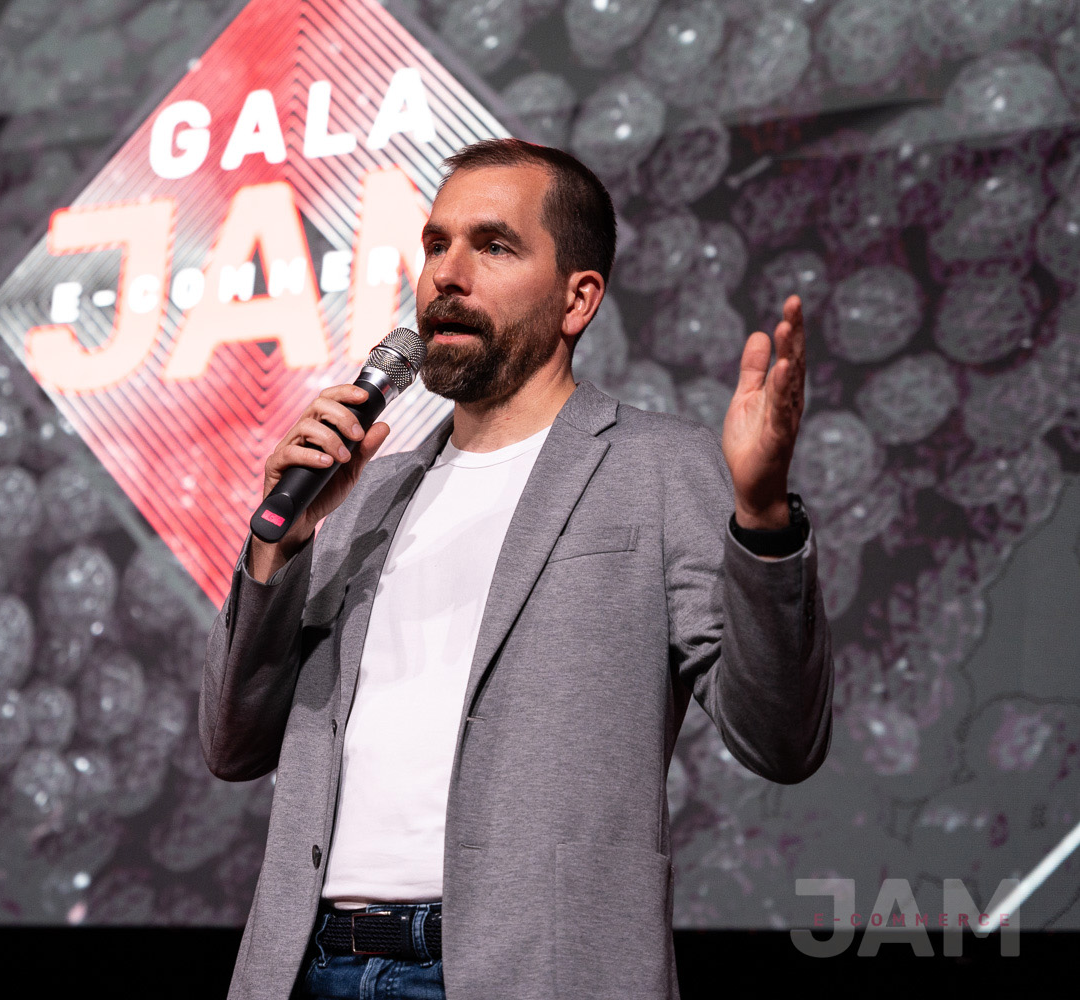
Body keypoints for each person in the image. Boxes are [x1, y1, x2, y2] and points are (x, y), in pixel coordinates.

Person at [199, 138, 832, 1000]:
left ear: (578, 298)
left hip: (532, 968)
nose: (447, 275)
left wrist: (761, 523)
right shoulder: (365, 489)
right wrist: (280, 546)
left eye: (493, 246)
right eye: (436, 245)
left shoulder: (656, 466)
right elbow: (232, 744)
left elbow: (781, 737)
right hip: (311, 965)